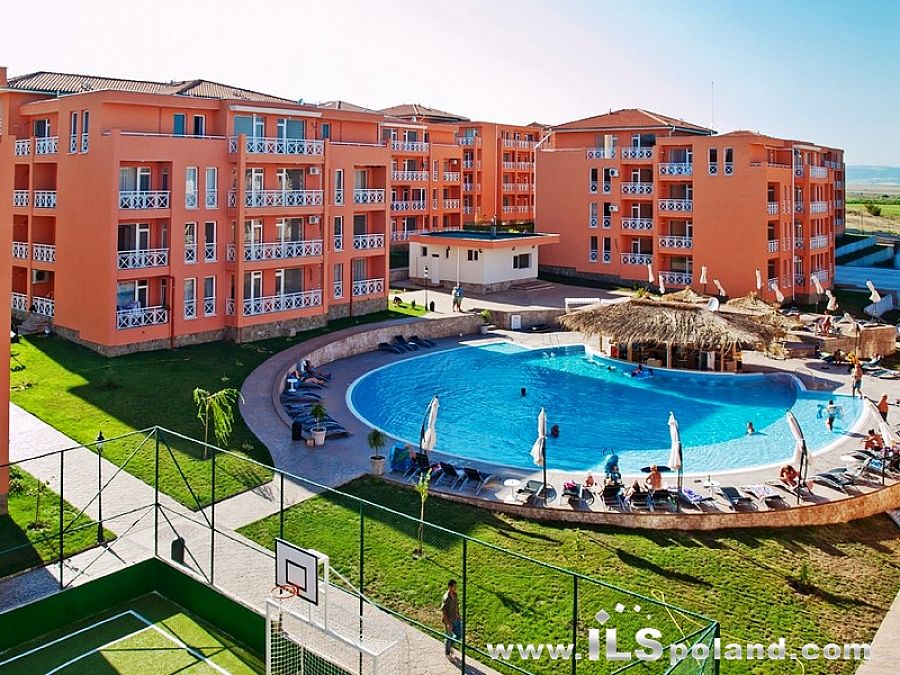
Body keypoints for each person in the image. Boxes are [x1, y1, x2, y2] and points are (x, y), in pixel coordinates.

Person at [441, 579, 462, 658]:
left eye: (456, 586)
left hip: (456, 619)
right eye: (454, 586)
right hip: (449, 620)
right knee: (448, 637)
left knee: (459, 635)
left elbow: (456, 605)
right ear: (450, 587)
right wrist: (448, 623)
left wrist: (458, 615)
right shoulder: (446, 598)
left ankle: (450, 646)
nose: (456, 588)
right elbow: (444, 611)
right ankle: (447, 653)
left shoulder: (455, 595)